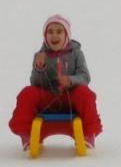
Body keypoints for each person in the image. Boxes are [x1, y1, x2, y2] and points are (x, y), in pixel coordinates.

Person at [8, 14, 102, 149]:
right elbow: (34, 82)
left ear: (66, 35)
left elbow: (85, 77)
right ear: (45, 36)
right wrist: (39, 68)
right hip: (48, 98)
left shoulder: (76, 53)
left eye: (59, 31)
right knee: (27, 93)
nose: (54, 36)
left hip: (70, 98)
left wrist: (70, 80)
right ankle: (27, 133)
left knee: (85, 93)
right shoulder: (40, 55)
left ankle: (88, 133)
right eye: (50, 32)